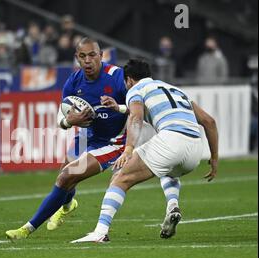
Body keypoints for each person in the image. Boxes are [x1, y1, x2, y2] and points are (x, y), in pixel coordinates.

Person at [71, 59, 219, 243]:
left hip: (171, 140)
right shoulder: (174, 89)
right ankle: (172, 206)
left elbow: (136, 117)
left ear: (129, 80)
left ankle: (100, 232)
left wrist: (128, 150)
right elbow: (209, 121)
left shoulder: (135, 90)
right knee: (167, 168)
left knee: (120, 177)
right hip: (195, 150)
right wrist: (214, 158)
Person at [5, 37, 129, 240]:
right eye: (82, 56)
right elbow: (60, 119)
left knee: (66, 177)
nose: (88, 60)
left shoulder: (117, 77)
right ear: (76, 58)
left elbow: (136, 105)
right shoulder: (74, 81)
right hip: (86, 136)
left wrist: (119, 107)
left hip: (113, 141)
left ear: (101, 55)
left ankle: (27, 229)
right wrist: (70, 120)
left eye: (92, 55)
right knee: (65, 175)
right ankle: (69, 204)